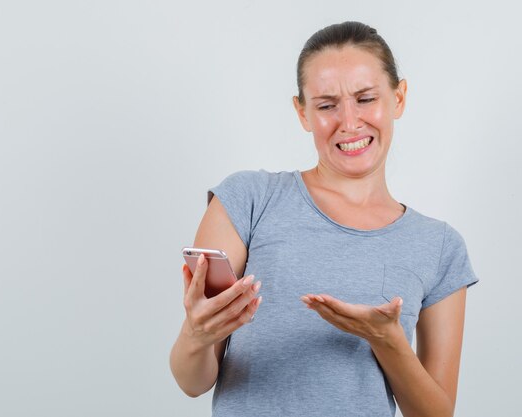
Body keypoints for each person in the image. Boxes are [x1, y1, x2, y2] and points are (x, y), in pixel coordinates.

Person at [170, 21, 478, 417]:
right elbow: (191, 382)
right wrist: (195, 336)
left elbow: (435, 414)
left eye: (365, 98)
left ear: (398, 98)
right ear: (302, 112)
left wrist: (388, 342)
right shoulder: (247, 199)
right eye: (327, 105)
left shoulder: (440, 247)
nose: (349, 122)